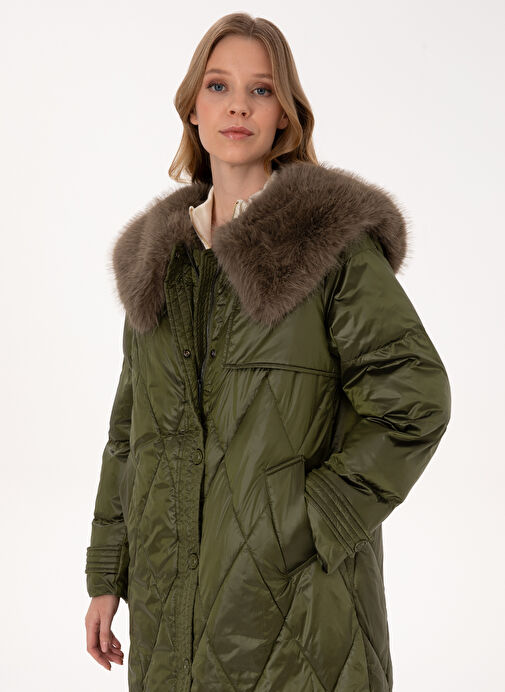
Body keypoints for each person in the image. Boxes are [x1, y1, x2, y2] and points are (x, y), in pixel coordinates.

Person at [84, 12, 451, 692]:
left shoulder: (329, 248)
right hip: (170, 615)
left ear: (284, 113)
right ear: (193, 107)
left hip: (301, 620)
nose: (238, 106)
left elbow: (415, 399)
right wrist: (108, 573)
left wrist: (314, 518)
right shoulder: (159, 261)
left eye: (261, 89)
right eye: (219, 86)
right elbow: (128, 434)